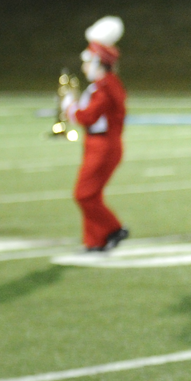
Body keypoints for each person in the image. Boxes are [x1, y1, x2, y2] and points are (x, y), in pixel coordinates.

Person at [62, 16, 130, 252]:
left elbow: (88, 117)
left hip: (103, 146)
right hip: (98, 144)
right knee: (92, 195)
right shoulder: (105, 84)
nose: (84, 67)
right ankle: (95, 241)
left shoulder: (106, 87)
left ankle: (113, 229)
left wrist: (69, 108)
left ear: (98, 62)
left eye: (88, 61)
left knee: (84, 195)